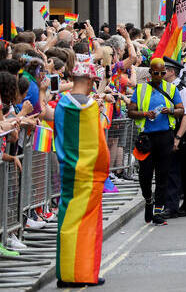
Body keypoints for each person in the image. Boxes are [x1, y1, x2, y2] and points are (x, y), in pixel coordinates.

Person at [54, 62, 109, 288]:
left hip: (68, 172)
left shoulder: (61, 104)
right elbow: (99, 142)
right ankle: (83, 272)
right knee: (87, 226)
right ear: (88, 82)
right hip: (89, 175)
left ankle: (65, 272)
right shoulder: (92, 107)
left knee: (66, 221)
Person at [127, 58, 183, 225]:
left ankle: (158, 211)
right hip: (146, 139)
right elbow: (130, 111)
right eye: (156, 73)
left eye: (162, 73)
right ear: (150, 73)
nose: (159, 76)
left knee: (162, 175)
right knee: (144, 175)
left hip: (165, 136)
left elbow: (182, 110)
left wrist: (171, 110)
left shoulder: (171, 89)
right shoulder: (141, 89)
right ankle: (148, 200)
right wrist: (145, 114)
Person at [163, 57, 186, 218]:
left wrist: (177, 138)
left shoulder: (184, 90)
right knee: (173, 171)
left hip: (185, 134)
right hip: (173, 132)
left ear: (172, 72)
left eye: (164, 70)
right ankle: (175, 206)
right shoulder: (165, 88)